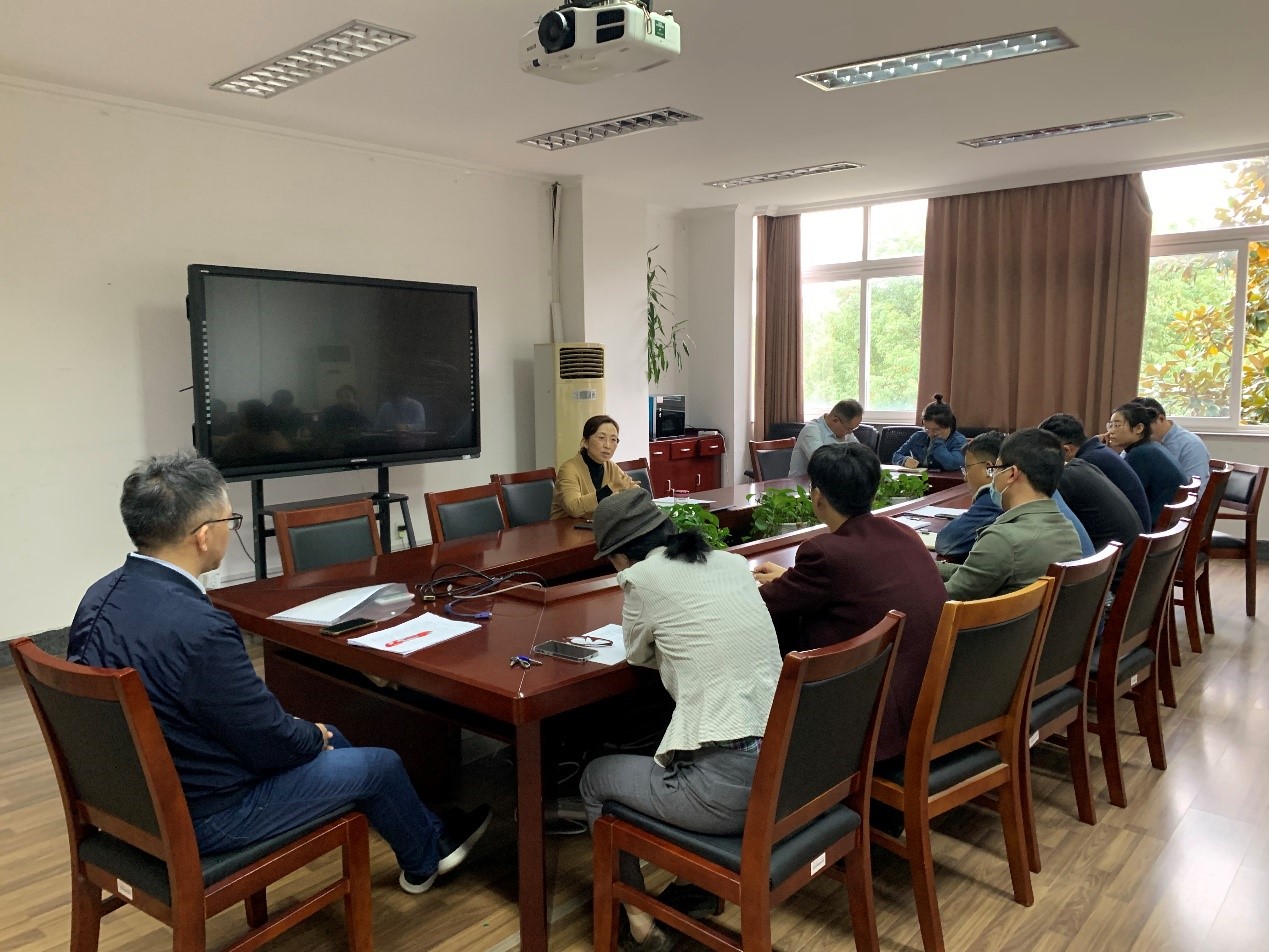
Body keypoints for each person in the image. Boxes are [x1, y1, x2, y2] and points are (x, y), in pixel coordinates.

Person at [67, 453, 490, 896]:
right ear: (204, 536)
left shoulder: (98, 597)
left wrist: (307, 734)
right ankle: (426, 858)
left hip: (134, 800)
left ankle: (427, 836)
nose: (230, 531)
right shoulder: (199, 628)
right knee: (380, 765)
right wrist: (308, 735)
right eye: (229, 521)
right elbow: (265, 741)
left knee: (334, 737)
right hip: (207, 815)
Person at [579, 489, 781, 951]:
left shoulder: (641, 578)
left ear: (619, 557)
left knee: (595, 778)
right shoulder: (731, 563)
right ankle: (697, 890)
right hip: (787, 774)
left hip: (728, 795)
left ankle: (639, 925)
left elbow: (637, 654)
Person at [752, 443, 946, 763]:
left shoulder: (824, 553)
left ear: (817, 496)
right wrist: (791, 578)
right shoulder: (904, 533)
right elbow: (854, 581)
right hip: (931, 707)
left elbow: (760, 606)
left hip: (873, 724)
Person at [939, 429, 1082, 601]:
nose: (993, 477)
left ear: (1012, 474)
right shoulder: (1068, 531)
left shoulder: (1002, 539)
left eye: (995, 469)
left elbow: (943, 599)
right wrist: (925, 566)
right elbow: (976, 574)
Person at [1038, 412, 1151, 531]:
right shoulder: (1098, 452)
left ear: (1066, 450)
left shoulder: (1087, 462)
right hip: (1137, 536)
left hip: (1130, 539)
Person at [1105, 402, 1185, 528]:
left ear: (1138, 428)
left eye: (1117, 425)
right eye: (1110, 425)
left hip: (1155, 528)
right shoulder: (1152, 447)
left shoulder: (1140, 454)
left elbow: (1124, 499)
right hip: (1170, 527)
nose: (1111, 432)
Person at [550, 414, 638, 519]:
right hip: (567, 527)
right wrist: (610, 488)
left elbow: (634, 491)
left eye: (613, 439)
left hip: (598, 526)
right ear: (585, 442)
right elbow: (574, 508)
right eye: (601, 438)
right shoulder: (569, 469)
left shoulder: (611, 466)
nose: (607, 445)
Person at [1131, 396, 1211, 492]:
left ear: (1161, 419)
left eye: (1145, 426)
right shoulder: (1139, 442)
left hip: (1178, 499)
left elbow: (1194, 491)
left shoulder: (1191, 445)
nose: (1141, 432)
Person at [788, 398, 864, 478]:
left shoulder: (846, 431)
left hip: (832, 482)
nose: (851, 432)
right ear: (835, 420)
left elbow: (861, 456)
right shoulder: (811, 431)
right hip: (802, 483)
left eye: (853, 428)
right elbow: (822, 464)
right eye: (849, 428)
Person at [891, 393, 968, 471]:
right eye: (927, 429)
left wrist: (937, 443)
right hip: (920, 476)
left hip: (946, 478)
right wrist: (904, 460)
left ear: (949, 426)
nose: (930, 434)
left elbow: (953, 464)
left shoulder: (959, 441)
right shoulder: (918, 436)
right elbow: (896, 455)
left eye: (936, 430)